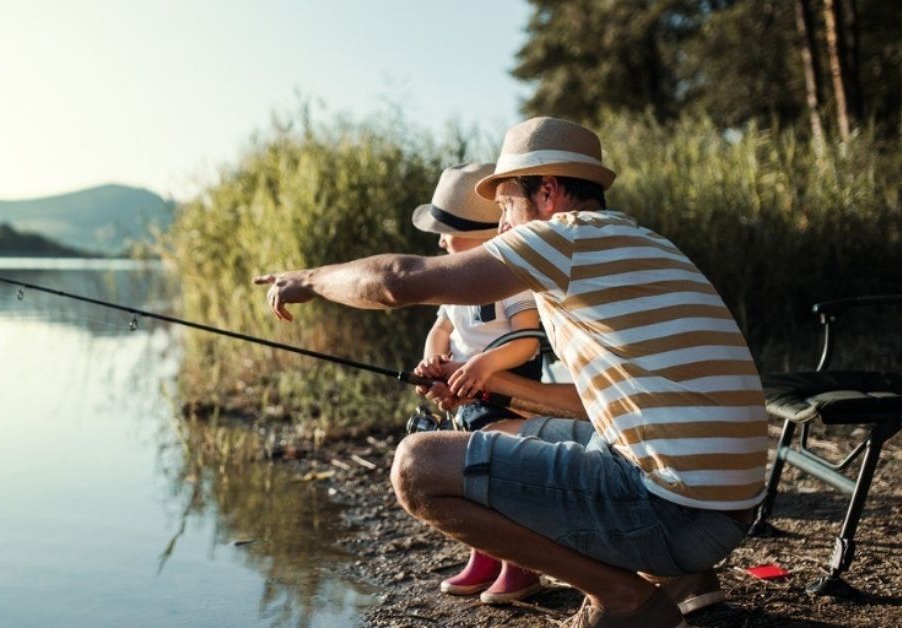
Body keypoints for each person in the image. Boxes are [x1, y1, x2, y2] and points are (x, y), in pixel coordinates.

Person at [254, 117, 765, 628]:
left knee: (418, 467)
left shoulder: (561, 239)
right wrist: (491, 382)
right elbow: (596, 408)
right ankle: (676, 579)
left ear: (546, 192)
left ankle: (626, 600)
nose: (500, 226)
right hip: (729, 512)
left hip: (674, 514)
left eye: (505, 207)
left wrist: (311, 279)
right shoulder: (644, 244)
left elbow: (397, 282)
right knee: (535, 432)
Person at [410, 162, 544, 604]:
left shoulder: (513, 281)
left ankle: (519, 564)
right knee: (468, 473)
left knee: (498, 474)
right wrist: (434, 358)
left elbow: (527, 341)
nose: (441, 240)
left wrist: (485, 366)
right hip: (465, 397)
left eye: (449, 230)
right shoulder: (455, 283)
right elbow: (441, 329)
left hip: (508, 394)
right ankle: (483, 553)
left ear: (485, 235)